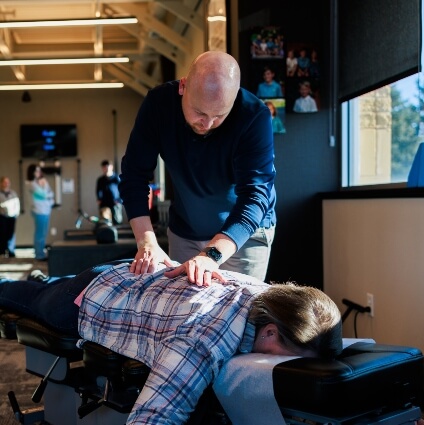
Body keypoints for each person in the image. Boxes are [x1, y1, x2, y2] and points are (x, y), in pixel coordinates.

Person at [0, 259, 343, 424]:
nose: (282, 368)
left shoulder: (272, 297)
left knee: (49, 284)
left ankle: (50, 279)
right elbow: (154, 414)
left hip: (140, 278)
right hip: (92, 296)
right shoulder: (205, 336)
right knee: (23, 296)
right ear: (269, 332)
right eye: (284, 359)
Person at [119, 51, 277, 284]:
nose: (208, 124)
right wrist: (147, 242)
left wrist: (212, 255)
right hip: (186, 229)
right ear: (183, 86)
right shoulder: (158, 105)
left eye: (219, 115)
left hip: (243, 233)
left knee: (239, 313)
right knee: (182, 311)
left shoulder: (254, 117)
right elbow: (134, 175)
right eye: (200, 112)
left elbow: (255, 196)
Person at [27, 164, 54, 261]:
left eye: (39, 171)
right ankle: (39, 255)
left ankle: (41, 252)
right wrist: (44, 186)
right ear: (32, 172)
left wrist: (45, 187)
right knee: (40, 234)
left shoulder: (40, 182)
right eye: (36, 171)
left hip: (46, 210)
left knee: (43, 233)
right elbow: (44, 195)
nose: (39, 173)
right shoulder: (31, 184)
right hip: (39, 211)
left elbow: (51, 194)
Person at [96, 160, 123, 225]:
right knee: (105, 221)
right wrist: (99, 199)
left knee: (117, 221)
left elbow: (122, 189)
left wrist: (119, 200)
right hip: (104, 203)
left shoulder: (117, 178)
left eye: (107, 167)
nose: (105, 169)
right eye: (104, 167)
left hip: (115, 203)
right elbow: (98, 191)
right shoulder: (100, 180)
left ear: (111, 167)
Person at [0, 176, 20, 257]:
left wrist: (16, 213)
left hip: (12, 216)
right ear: (1, 183)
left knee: (11, 234)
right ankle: (2, 250)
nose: (6, 184)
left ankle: (11, 250)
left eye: (8, 182)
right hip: (2, 216)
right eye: (5, 182)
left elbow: (17, 204)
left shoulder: (13, 193)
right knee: (2, 233)